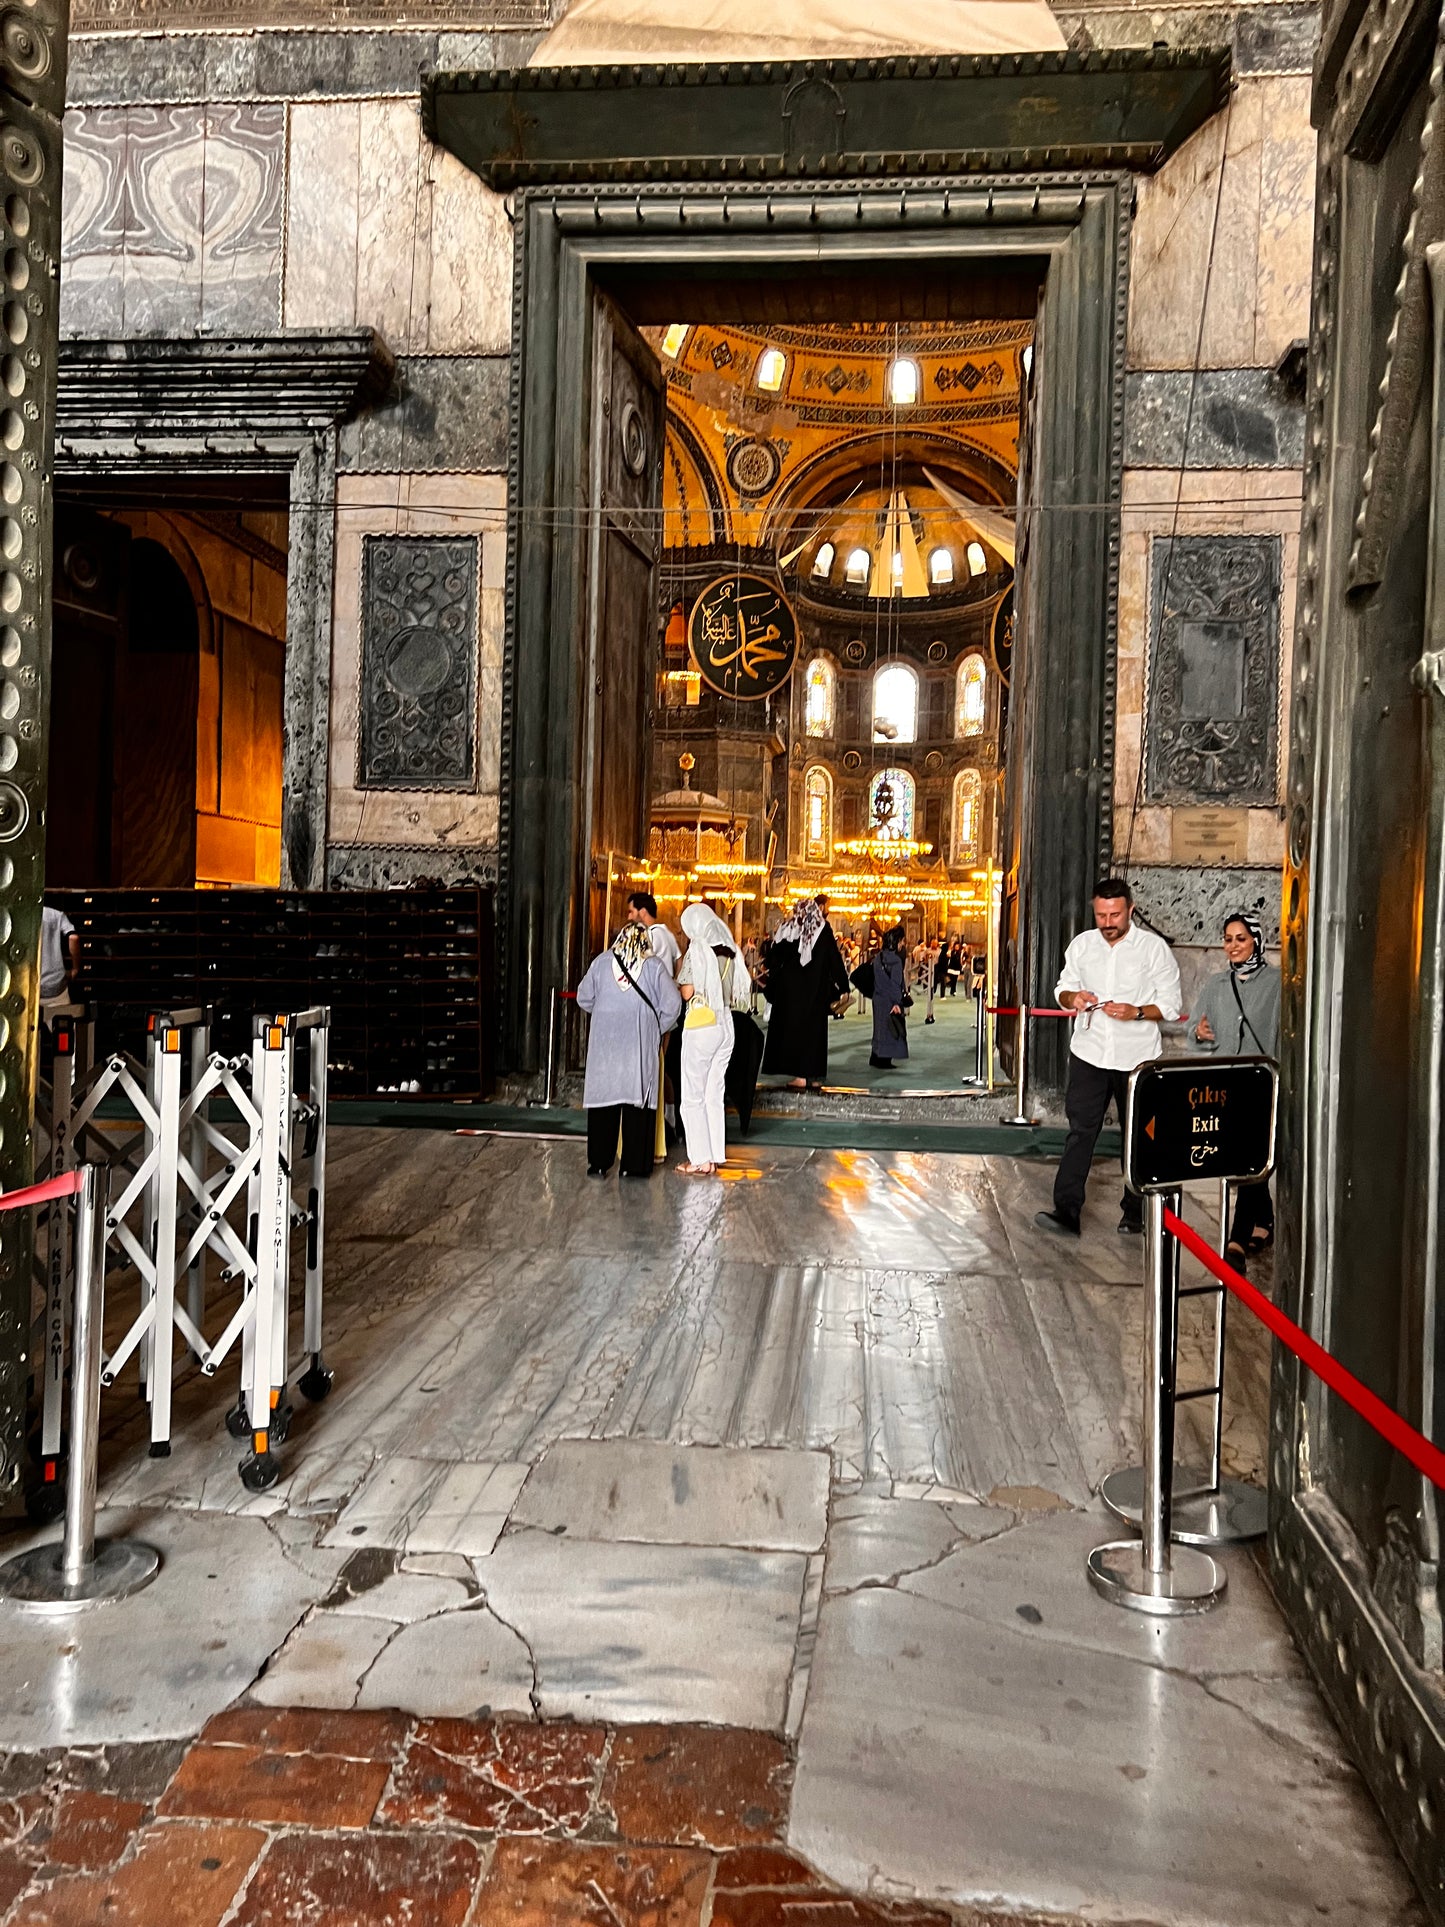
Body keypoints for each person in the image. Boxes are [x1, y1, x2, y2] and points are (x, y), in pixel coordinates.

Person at [1036, 877, 1182, 1238]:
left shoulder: (1153, 949)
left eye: (1115, 914)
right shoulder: (1082, 945)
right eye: (1101, 914)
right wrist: (1074, 999)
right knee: (1080, 1131)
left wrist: (1135, 1011)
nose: (1107, 922)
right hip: (1089, 1051)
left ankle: (1135, 1212)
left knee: (1140, 1135)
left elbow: (1171, 1004)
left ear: (1130, 910)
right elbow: (1062, 989)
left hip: (1138, 1057)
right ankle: (1066, 1211)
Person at [1192, 911, 1280, 1268]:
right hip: (1225, 1085)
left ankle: (1236, 1241)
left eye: (1241, 939)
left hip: (1260, 1081)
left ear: (1256, 940)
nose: (1233, 946)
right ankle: (1265, 1220)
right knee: (1240, 1155)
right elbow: (1193, 1033)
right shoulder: (1215, 985)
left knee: (1248, 1156)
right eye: (1228, 939)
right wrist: (1199, 1034)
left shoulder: (1278, 983)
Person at [575, 921, 682, 1179]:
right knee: (638, 1104)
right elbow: (673, 1004)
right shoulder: (654, 966)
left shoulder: (601, 963)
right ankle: (634, 1166)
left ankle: (599, 1163)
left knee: (604, 1104)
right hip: (639, 1045)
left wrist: (606, 1014)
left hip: (606, 1046)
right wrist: (657, 1026)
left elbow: (583, 997)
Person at [676, 902, 748, 1176]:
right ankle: (714, 1156)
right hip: (726, 1023)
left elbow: (687, 992)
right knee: (713, 1094)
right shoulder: (729, 949)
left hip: (702, 1023)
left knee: (692, 1096)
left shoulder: (698, 949)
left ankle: (698, 1160)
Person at [761, 895, 850, 1091]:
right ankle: (815, 1076)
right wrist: (844, 986)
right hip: (816, 992)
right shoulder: (823, 930)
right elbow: (834, 960)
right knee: (815, 1035)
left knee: (796, 1033)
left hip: (791, 994)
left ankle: (800, 1077)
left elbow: (772, 960)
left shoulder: (790, 930)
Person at [869, 925, 910, 1070]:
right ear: (897, 941)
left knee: (878, 1029)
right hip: (889, 999)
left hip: (878, 997)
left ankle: (875, 1056)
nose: (903, 944)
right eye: (902, 941)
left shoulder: (878, 957)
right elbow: (895, 984)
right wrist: (896, 1002)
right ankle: (884, 1060)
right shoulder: (896, 961)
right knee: (891, 1030)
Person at [41, 904, 78, 1003]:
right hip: (55, 985)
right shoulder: (57, 915)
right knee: (60, 1017)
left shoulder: (21, 915)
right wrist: (75, 968)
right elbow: (73, 938)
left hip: (30, 984)